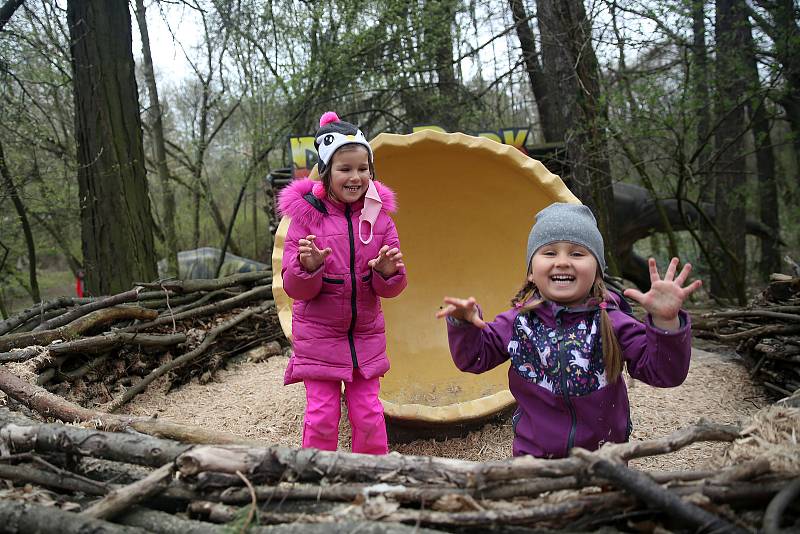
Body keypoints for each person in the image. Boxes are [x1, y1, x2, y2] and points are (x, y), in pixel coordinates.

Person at [436, 203, 702, 458]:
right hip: (535, 457)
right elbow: (475, 358)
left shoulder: (612, 320)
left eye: (577, 253)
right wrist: (464, 325)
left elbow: (665, 374)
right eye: (549, 253)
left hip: (605, 457)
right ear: (531, 272)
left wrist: (667, 322)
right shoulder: (519, 321)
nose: (562, 261)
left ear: (597, 270)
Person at [277, 111, 407, 454]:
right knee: (322, 415)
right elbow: (294, 288)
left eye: (363, 169)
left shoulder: (379, 219)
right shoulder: (306, 217)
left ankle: (372, 473)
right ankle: (317, 477)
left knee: (368, 414)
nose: (355, 177)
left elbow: (392, 289)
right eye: (345, 169)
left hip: (364, 338)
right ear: (326, 172)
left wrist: (386, 272)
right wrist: (309, 267)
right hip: (319, 338)